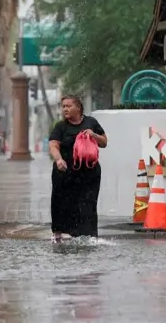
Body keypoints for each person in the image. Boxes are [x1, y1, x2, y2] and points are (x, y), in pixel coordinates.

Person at [49, 95, 108, 243]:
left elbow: (104, 142)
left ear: (78, 107)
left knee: (88, 202)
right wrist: (59, 159)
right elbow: (53, 145)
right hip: (65, 172)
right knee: (61, 202)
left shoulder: (91, 122)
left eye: (68, 106)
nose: (65, 109)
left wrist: (93, 134)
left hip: (89, 172)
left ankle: (89, 235)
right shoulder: (60, 127)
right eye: (63, 106)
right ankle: (59, 233)